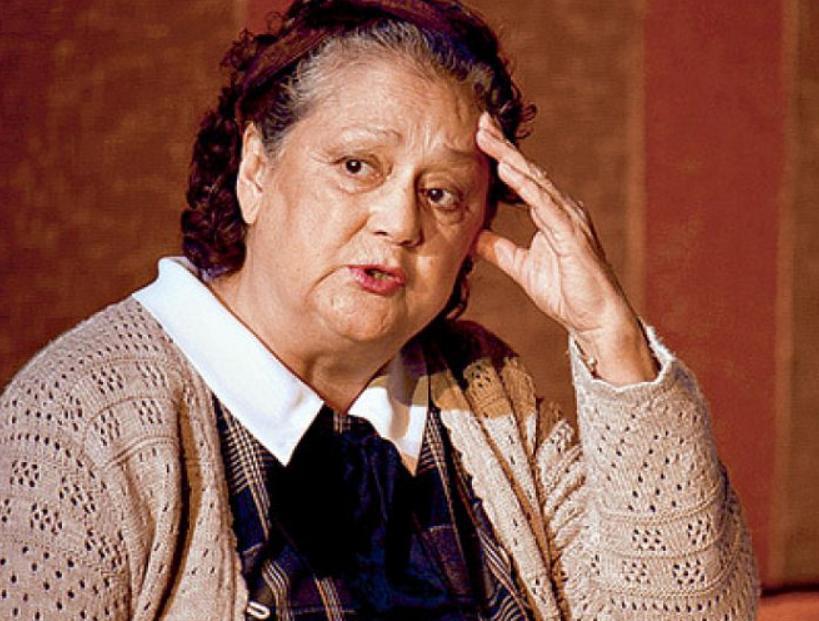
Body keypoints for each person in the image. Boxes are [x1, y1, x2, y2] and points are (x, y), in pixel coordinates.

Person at [0, 0, 758, 619]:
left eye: (442, 192)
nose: (400, 222)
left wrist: (611, 339)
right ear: (256, 169)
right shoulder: (77, 420)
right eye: (357, 165)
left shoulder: (486, 392)